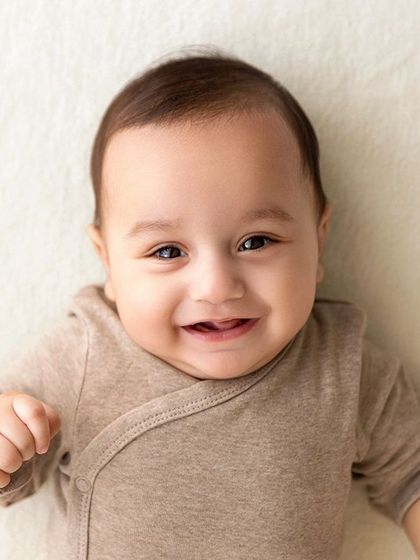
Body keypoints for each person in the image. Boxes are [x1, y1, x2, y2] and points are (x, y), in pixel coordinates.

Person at [1, 47, 420, 559]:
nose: (217, 287)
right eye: (168, 251)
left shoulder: (344, 366)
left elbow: (412, 473)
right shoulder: (84, 355)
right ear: (108, 263)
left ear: (319, 241)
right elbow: (15, 463)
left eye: (256, 241)